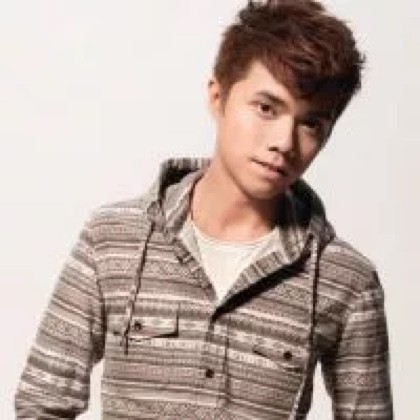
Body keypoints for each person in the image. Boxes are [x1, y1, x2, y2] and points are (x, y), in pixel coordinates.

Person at [15, 0, 393, 419]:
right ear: (218, 96)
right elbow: (41, 403)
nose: (284, 142)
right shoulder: (111, 239)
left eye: (311, 124)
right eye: (266, 108)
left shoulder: (348, 281)